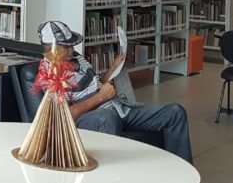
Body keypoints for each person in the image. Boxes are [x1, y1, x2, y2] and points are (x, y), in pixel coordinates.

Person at [37, 20, 193, 163]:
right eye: (66, 46)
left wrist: (113, 69)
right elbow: (63, 116)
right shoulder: (48, 74)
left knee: (175, 112)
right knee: (108, 117)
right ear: (53, 48)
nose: (72, 49)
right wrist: (101, 97)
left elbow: (96, 85)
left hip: (118, 107)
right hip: (90, 117)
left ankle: (183, 174)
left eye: (72, 45)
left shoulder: (77, 59)